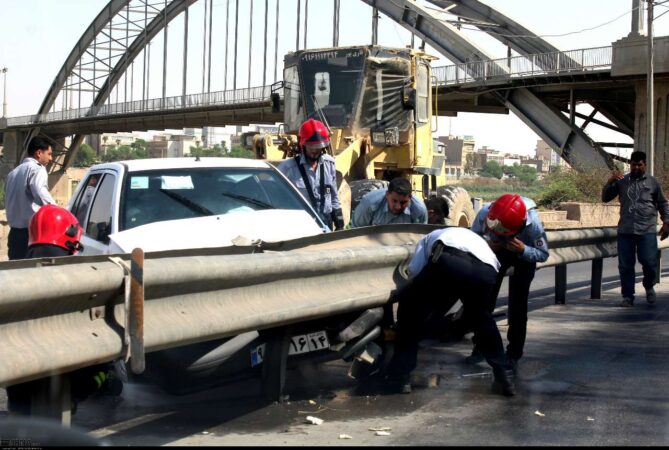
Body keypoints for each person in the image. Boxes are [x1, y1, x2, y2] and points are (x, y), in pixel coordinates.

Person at [7, 205, 122, 416]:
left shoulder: (15, 275)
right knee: (106, 366)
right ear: (69, 234)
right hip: (64, 370)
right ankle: (76, 397)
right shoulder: (74, 277)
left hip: (19, 377)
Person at [383, 227, 516, 396]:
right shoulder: (476, 240)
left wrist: (406, 294)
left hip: (450, 262)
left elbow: (415, 272)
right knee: (481, 319)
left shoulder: (428, 239)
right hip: (486, 271)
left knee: (411, 313)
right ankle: (504, 376)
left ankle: (399, 376)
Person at [467, 194, 549, 375]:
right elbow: (471, 239)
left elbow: (543, 253)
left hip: (521, 252)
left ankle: (514, 354)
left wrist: (523, 250)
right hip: (494, 252)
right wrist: (487, 244)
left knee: (518, 306)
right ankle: (480, 346)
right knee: (485, 301)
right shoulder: (485, 212)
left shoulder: (533, 224)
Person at [602, 151, 669, 307]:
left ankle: (648, 285)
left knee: (649, 261)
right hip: (626, 231)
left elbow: (663, 203)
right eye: (633, 164)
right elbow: (605, 198)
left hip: (647, 230)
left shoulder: (653, 183)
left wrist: (666, 221)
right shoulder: (621, 181)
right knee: (625, 265)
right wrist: (609, 181)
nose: (636, 167)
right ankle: (627, 296)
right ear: (630, 165)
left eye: (639, 164)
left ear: (644, 164)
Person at [278, 118, 344, 231]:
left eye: (318, 147)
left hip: (326, 223)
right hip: (301, 225)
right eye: (311, 147)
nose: (315, 150)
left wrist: (339, 224)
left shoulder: (330, 164)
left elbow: (333, 196)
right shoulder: (287, 168)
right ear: (302, 145)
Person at [5, 137, 56, 260]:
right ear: (39, 153)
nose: (51, 158)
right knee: (34, 275)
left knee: (16, 273)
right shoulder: (37, 169)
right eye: (49, 154)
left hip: (14, 235)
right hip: (31, 234)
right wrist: (56, 210)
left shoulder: (13, 173)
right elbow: (40, 191)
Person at [351, 177, 427, 227]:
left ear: (410, 198)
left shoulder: (419, 210)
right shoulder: (369, 204)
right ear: (387, 195)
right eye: (394, 201)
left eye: (403, 202)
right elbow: (356, 232)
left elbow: (419, 239)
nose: (398, 207)